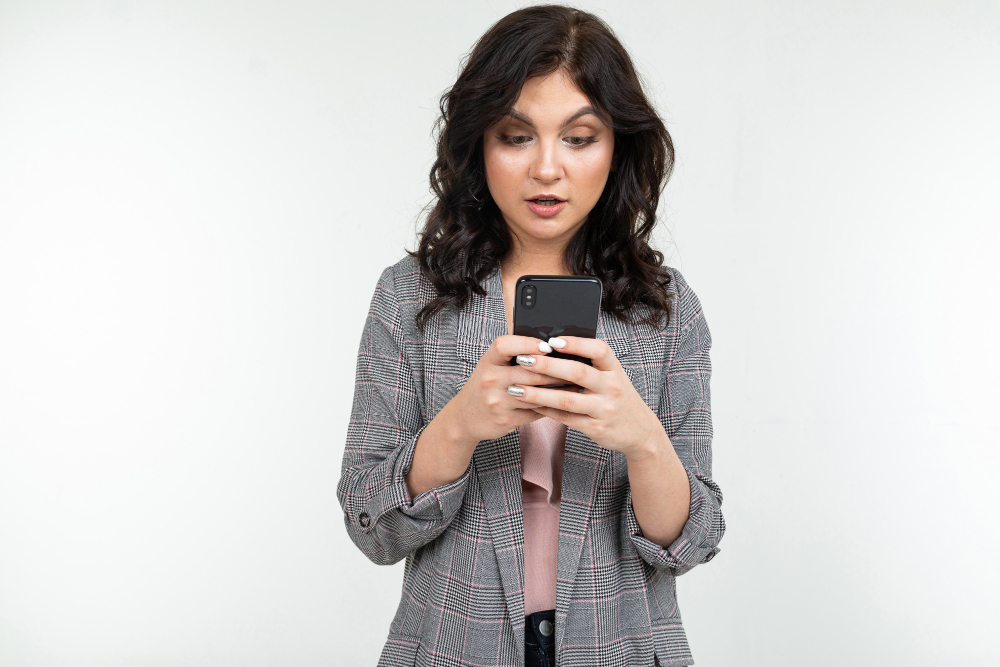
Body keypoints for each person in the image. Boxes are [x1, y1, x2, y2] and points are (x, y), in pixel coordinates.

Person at [337, 5, 725, 666]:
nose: (548, 168)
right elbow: (371, 527)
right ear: (479, 143)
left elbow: (690, 541)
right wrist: (460, 423)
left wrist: (640, 436)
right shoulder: (409, 296)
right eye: (517, 135)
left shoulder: (667, 310)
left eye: (579, 137)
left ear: (618, 147)